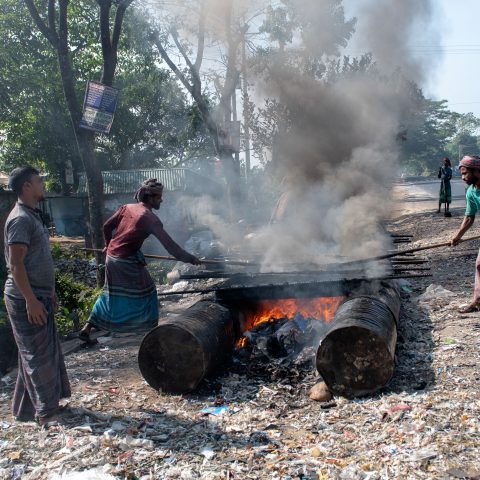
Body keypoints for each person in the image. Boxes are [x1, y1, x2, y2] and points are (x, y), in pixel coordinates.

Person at [79, 179, 201, 341]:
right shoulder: (150, 219)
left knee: (109, 292)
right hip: (125, 261)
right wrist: (191, 259)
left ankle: (88, 326)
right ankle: (150, 333)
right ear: (150, 198)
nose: (161, 200)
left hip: (112, 258)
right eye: (159, 197)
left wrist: (108, 246)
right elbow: (171, 248)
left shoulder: (127, 207)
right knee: (149, 292)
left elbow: (107, 227)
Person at [3, 166, 71, 426]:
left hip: (39, 295)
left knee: (34, 354)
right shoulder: (20, 218)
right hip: (24, 300)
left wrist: (49, 292)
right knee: (37, 357)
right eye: (38, 181)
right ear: (26, 187)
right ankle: (46, 414)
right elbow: (16, 264)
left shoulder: (32, 216)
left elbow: (38, 259)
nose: (43, 184)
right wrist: (31, 300)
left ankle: (25, 410)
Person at [450, 155, 480, 312]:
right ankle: (477, 301)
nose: (462, 177)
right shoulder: (471, 191)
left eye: (465, 173)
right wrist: (457, 236)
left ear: (476, 171)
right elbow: (469, 217)